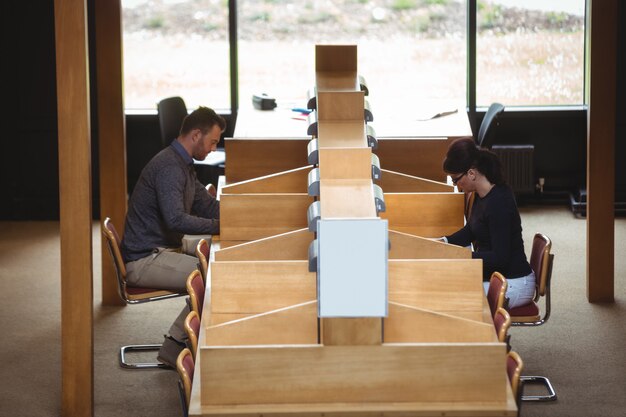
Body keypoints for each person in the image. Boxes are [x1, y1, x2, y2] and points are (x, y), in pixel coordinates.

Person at [120, 106, 226, 367]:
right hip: (144, 259)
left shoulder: (183, 164)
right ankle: (175, 346)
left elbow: (207, 205)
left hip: (164, 247)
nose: (213, 149)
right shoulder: (169, 167)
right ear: (196, 135)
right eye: (212, 142)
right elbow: (176, 219)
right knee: (214, 276)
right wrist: (220, 225)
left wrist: (241, 215)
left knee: (223, 259)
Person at [440, 137, 535, 309]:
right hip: (498, 276)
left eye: (455, 179)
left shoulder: (499, 203)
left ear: (471, 173)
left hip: (514, 282)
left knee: (451, 294)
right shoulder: (481, 194)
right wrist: (444, 243)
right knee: (447, 281)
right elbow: (471, 230)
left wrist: (461, 257)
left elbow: (500, 258)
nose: (457, 185)